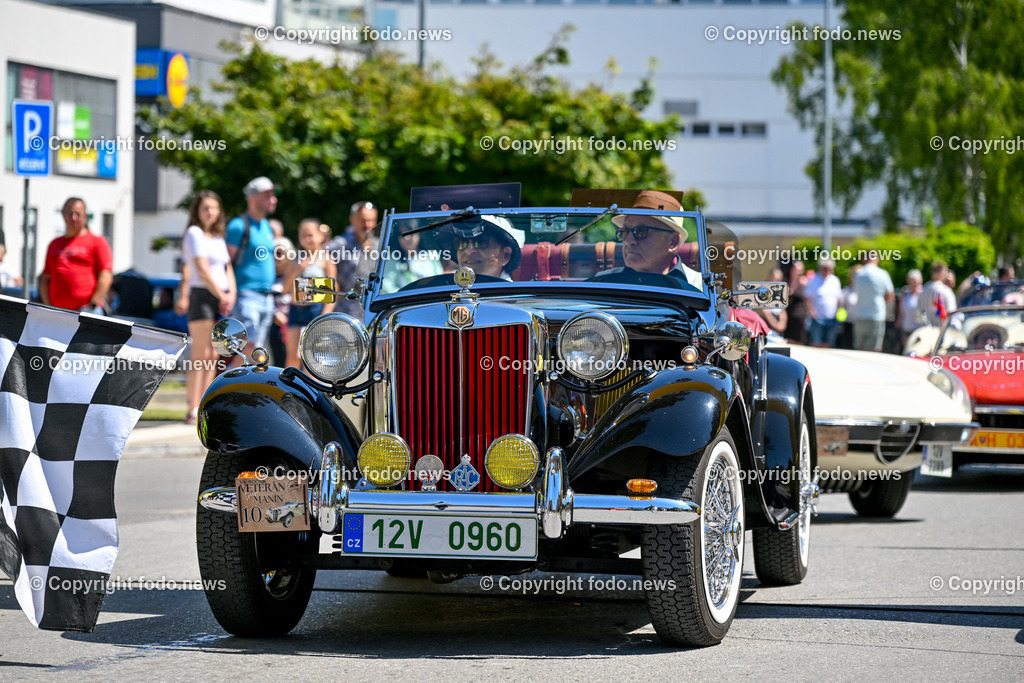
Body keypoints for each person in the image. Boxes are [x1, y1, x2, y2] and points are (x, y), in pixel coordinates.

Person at [181, 190, 235, 424]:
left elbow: (227, 268)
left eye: (214, 208)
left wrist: (231, 294)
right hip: (202, 295)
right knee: (200, 353)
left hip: (220, 297)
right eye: (205, 208)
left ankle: (205, 402)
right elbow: (202, 270)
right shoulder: (194, 233)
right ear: (197, 211)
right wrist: (222, 294)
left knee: (213, 354)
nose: (210, 212)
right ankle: (192, 407)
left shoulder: (218, 237)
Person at [596, 190, 703, 290]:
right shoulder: (601, 284)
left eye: (640, 232)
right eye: (625, 231)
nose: (628, 241)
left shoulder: (700, 288)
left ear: (673, 241)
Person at [226, 177, 278, 364]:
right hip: (246, 295)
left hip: (267, 298)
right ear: (252, 198)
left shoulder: (266, 226)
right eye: (267, 196)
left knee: (255, 352)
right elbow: (226, 263)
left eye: (273, 195)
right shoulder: (238, 225)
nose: (273, 200)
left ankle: (238, 381)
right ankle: (229, 381)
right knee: (250, 347)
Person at [40, 197, 113, 312]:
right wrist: (47, 305)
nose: (73, 218)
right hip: (57, 312)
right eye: (70, 213)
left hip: (86, 310)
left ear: (85, 216)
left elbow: (106, 275)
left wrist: (93, 303)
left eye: (78, 214)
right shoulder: (54, 244)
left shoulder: (97, 241)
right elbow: (45, 278)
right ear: (63, 214)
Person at [283, 219, 336, 368]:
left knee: (312, 357)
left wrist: (324, 316)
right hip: (295, 310)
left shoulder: (326, 259)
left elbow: (331, 294)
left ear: (320, 236)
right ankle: (291, 382)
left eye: (310, 235)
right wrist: (298, 269)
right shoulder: (296, 259)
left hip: (314, 310)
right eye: (303, 235)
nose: (306, 239)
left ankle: (310, 383)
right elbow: (285, 289)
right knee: (292, 356)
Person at [327, 200, 380, 316]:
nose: (367, 225)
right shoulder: (340, 244)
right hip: (345, 313)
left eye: (371, 220)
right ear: (352, 220)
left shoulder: (379, 245)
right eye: (363, 220)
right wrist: (331, 282)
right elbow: (318, 260)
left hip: (373, 313)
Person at [450, 216, 525, 279]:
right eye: (462, 243)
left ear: (506, 255)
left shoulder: (514, 292)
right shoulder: (447, 288)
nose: (468, 251)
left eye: (480, 242)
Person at [381, 222, 444, 291]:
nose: (407, 238)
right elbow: (387, 286)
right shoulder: (393, 261)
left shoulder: (432, 255)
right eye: (402, 234)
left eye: (411, 233)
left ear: (419, 234)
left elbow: (439, 283)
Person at [852, 251, 894, 352]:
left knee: (859, 348)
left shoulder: (858, 274)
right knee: (874, 350)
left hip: (860, 315)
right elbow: (890, 295)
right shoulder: (882, 274)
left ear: (864, 259)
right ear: (877, 259)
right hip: (876, 315)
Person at [804, 258, 842, 347]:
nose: (828, 271)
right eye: (825, 269)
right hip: (817, 318)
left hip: (832, 317)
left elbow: (838, 298)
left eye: (830, 269)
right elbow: (807, 299)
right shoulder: (813, 281)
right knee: (816, 343)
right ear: (820, 268)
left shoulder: (835, 280)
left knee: (830, 344)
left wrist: (838, 312)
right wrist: (812, 312)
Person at [916, 262, 957, 328]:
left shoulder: (923, 290)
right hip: (942, 330)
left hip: (926, 330)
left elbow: (919, 314)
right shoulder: (946, 291)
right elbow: (952, 313)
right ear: (942, 274)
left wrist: (926, 323)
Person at [783, 260, 809, 344]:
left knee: (799, 341)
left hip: (800, 316)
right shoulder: (786, 282)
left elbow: (807, 299)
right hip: (787, 317)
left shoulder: (804, 282)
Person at [896, 269, 924, 347]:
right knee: (906, 346)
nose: (915, 283)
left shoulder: (923, 293)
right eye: (913, 281)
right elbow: (900, 308)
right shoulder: (905, 292)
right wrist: (899, 319)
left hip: (918, 327)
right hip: (907, 325)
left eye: (917, 281)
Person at [758, 267, 787, 335]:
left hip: (778, 321)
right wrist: (775, 324)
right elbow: (765, 311)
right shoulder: (763, 291)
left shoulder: (780, 291)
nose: (775, 281)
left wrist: (782, 323)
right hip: (768, 323)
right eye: (774, 278)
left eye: (778, 280)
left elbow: (783, 309)